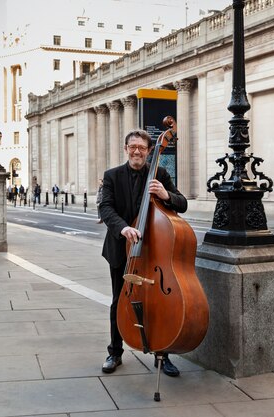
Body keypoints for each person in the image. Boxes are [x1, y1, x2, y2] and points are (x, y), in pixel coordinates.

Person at [99, 129, 187, 377]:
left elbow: (182, 203)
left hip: (154, 252)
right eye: (132, 146)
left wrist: (165, 194)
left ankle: (163, 355)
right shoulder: (112, 176)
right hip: (121, 248)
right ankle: (115, 352)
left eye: (142, 147)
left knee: (158, 302)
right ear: (126, 148)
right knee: (119, 300)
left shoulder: (160, 174)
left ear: (149, 151)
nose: (137, 151)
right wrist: (124, 228)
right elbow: (105, 208)